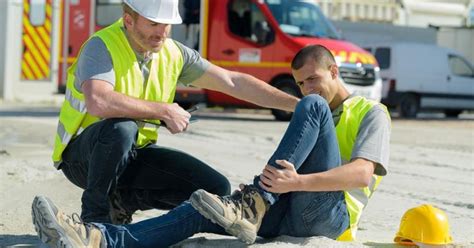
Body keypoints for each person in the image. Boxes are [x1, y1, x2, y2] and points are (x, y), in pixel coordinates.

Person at [32, 44, 391, 247]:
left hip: (330, 218)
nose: (308, 89)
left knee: (309, 109)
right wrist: (281, 188)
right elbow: (234, 83)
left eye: (314, 79)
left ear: (335, 72)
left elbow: (361, 175)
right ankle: (98, 237)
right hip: (288, 210)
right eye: (300, 83)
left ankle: (255, 202)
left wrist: (293, 184)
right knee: (204, 206)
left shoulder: (371, 112)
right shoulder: (313, 109)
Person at [49, 0, 298, 228]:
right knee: (121, 128)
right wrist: (165, 110)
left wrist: (297, 105)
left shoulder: (173, 53)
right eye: (154, 23)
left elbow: (233, 82)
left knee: (216, 189)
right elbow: (98, 101)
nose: (162, 32)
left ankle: (121, 203)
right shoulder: (101, 45)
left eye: (167, 24)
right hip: (83, 158)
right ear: (129, 21)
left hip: (133, 154)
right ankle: (94, 219)